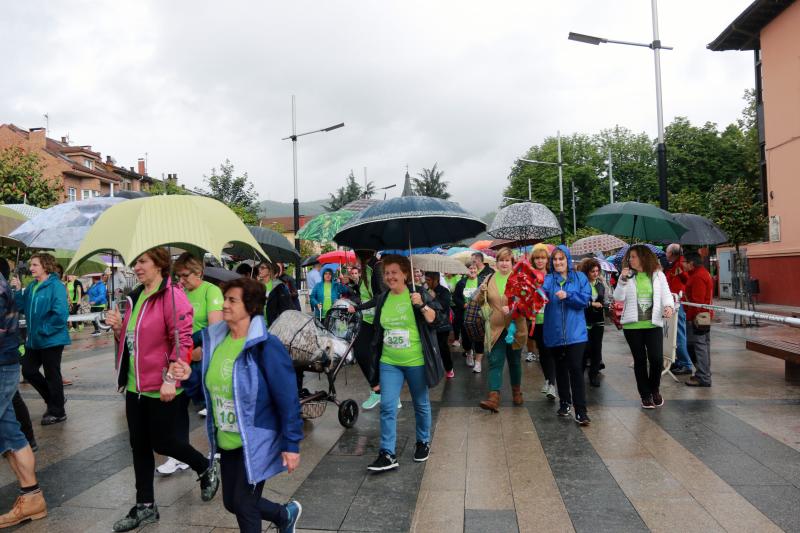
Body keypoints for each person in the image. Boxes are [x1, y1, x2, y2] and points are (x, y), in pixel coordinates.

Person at [105, 247, 220, 532]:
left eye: (142, 262)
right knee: (139, 446)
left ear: (159, 264)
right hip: (136, 387)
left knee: (164, 443)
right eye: (135, 262)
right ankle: (145, 506)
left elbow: (182, 341)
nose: (137, 267)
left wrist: (171, 379)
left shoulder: (172, 296)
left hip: (163, 386)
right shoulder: (135, 298)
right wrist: (119, 329)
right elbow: (133, 343)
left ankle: (204, 466)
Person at [200, 277, 303, 532]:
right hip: (228, 439)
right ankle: (283, 515)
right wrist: (183, 375)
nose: (224, 305)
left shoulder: (266, 347)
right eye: (225, 299)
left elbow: (288, 397)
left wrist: (291, 444)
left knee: (245, 506)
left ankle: (282, 515)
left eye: (232, 300)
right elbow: (209, 383)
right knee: (232, 503)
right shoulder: (218, 341)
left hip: (256, 439)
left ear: (251, 307)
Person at [155, 253, 225, 476]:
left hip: (202, 356)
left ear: (199, 273)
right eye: (178, 276)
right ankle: (179, 455)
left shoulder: (211, 291)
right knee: (177, 407)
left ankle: (218, 448)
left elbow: (215, 329)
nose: (181, 280)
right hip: (181, 357)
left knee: (211, 404)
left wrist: (199, 352)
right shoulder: (178, 293)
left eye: (185, 275)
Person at [367, 255, 438, 472]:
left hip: (415, 360)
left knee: (420, 404)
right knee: (387, 406)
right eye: (387, 273)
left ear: (405, 274)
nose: (390, 277)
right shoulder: (383, 299)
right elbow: (379, 332)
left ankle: (422, 441)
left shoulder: (417, 295)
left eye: (394, 272)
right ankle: (387, 453)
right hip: (389, 361)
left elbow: (435, 318)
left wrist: (423, 305)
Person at [0, 261, 47, 528]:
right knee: (8, 433)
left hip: (2, 364)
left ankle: (32, 497)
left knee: (9, 432)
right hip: (4, 363)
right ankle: (31, 498)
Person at [10, 253, 70, 425]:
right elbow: (19, 305)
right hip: (34, 340)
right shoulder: (32, 286)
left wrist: (43, 329)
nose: (31, 268)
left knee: (52, 374)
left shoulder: (56, 286)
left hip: (51, 338)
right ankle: (54, 400)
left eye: (35, 265)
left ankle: (58, 412)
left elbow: (60, 315)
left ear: (45, 265)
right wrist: (16, 289)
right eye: (31, 265)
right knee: (28, 370)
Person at [614, 244, 674, 409]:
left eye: (633, 256)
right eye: (630, 257)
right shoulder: (627, 276)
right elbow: (617, 297)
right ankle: (645, 394)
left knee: (656, 359)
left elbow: (667, 295)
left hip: (653, 323)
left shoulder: (658, 275)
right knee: (640, 360)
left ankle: (654, 389)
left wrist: (669, 306)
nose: (630, 259)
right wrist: (622, 280)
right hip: (632, 326)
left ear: (643, 257)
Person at [542, 246, 592, 425]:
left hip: (576, 334)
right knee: (561, 370)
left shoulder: (580, 277)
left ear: (568, 259)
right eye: (555, 259)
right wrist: (533, 291)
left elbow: (585, 300)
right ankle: (564, 403)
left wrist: (568, 295)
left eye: (561, 259)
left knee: (576, 370)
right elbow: (540, 294)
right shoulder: (548, 279)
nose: (558, 262)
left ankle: (581, 411)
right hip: (554, 333)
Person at [476, 247, 528, 413]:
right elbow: (479, 302)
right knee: (495, 361)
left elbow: (528, 302)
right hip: (495, 328)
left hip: (515, 327)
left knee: (514, 361)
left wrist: (514, 307)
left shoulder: (520, 279)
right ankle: (493, 397)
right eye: (501, 260)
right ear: (496, 263)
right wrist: (480, 293)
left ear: (512, 263)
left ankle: (516, 392)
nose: (504, 263)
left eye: (507, 260)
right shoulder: (489, 278)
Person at [348, 251, 390, 411]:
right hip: (367, 319)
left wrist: (358, 307)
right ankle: (377, 389)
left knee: (377, 356)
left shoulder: (377, 268)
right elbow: (365, 294)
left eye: (356, 255)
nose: (355, 259)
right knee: (360, 353)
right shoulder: (365, 269)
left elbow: (380, 296)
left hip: (378, 320)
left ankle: (382, 391)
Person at [529, 244, 556, 399]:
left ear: (547, 260)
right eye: (537, 258)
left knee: (550, 351)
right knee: (543, 352)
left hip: (551, 319)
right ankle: (548, 380)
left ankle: (552, 383)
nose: (540, 261)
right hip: (536, 320)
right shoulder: (530, 276)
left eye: (542, 258)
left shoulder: (552, 276)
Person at [683, 252, 714, 388]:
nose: (683, 264)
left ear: (691, 263)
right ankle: (704, 373)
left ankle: (703, 376)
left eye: (685, 262)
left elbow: (697, 302)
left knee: (698, 346)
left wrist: (691, 317)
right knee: (703, 346)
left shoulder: (698, 277)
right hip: (703, 316)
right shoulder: (701, 273)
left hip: (698, 318)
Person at [580, 258, 609, 388]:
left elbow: (607, 300)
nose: (595, 273)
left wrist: (606, 306)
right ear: (587, 272)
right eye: (593, 271)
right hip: (584, 319)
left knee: (597, 348)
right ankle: (579, 374)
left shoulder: (601, 284)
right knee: (586, 348)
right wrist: (592, 303)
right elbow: (578, 300)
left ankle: (594, 374)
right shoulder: (582, 284)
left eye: (597, 271)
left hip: (598, 320)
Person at [665, 243, 693, 375]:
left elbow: (688, 280)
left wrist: (681, 273)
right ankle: (681, 361)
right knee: (676, 333)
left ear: (672, 253)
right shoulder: (675, 264)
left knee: (679, 332)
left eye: (667, 252)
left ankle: (686, 363)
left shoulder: (682, 263)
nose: (665, 254)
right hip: (674, 301)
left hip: (678, 302)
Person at [424, 272, 455, 379]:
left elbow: (443, 306)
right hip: (430, 325)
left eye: (428, 280)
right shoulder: (426, 290)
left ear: (435, 279)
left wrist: (434, 298)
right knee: (430, 348)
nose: (426, 282)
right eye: (426, 279)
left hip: (442, 325)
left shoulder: (444, 291)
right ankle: (434, 369)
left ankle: (449, 368)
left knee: (443, 348)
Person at [453, 264, 482, 370]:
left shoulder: (482, 282)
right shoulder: (461, 283)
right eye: (470, 268)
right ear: (466, 270)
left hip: (479, 315)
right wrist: (463, 304)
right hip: (465, 316)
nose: (473, 270)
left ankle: (478, 362)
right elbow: (455, 297)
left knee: (479, 338)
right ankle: (469, 353)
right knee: (466, 338)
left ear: (478, 270)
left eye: (475, 268)